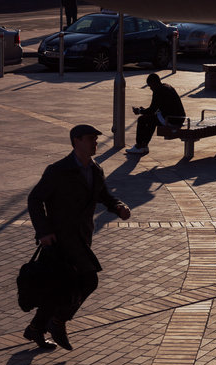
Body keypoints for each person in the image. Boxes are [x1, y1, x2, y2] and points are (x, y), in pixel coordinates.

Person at [26, 124, 131, 350]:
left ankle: (35, 328)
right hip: (60, 239)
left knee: (61, 286)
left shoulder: (95, 169)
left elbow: (103, 195)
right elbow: (35, 199)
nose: (95, 142)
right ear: (76, 141)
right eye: (91, 138)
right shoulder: (58, 170)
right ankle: (58, 321)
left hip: (82, 236)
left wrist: (118, 207)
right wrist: (43, 231)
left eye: (95, 139)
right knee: (89, 280)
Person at [126, 73, 186, 155]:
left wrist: (139, 111)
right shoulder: (167, 86)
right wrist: (144, 110)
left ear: (154, 83)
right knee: (151, 120)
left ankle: (139, 146)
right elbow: (155, 109)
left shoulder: (158, 91)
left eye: (150, 86)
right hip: (179, 118)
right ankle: (144, 145)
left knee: (142, 119)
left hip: (171, 119)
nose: (151, 88)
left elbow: (152, 110)